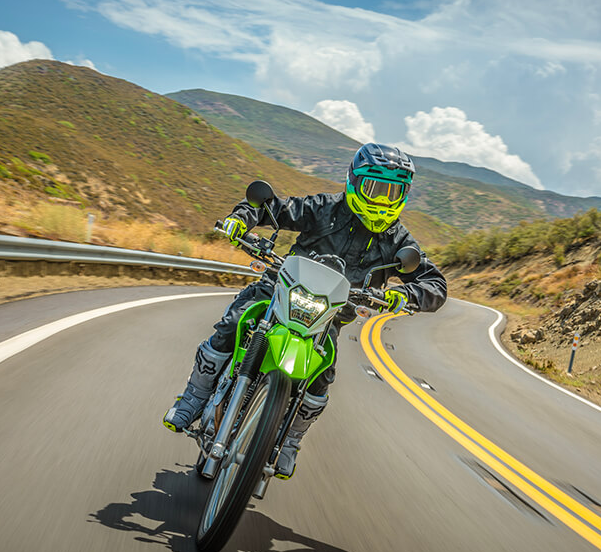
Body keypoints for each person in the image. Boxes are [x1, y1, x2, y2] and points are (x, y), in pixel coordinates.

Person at [163, 142, 448, 479]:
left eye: (393, 192)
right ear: (355, 182)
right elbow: (271, 208)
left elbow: (435, 284)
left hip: (326, 320)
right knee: (235, 321)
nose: (383, 200)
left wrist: (407, 294)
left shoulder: (399, 242)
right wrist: (242, 218)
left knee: (322, 377)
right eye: (375, 188)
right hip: (278, 293)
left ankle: (290, 442)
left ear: (404, 195)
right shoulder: (324, 209)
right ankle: (193, 398)